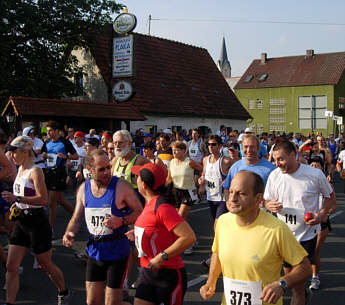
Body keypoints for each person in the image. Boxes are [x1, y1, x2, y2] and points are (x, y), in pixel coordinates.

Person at [200, 171, 312, 305]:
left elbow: (305, 267)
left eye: (241, 194)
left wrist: (282, 283)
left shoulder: (276, 229)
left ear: (258, 199)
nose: (233, 199)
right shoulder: (223, 222)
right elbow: (217, 252)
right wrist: (211, 281)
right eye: (231, 192)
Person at [62, 149, 143, 305]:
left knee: (112, 302)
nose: (107, 172)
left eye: (108, 167)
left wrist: (122, 220)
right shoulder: (84, 190)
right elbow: (77, 217)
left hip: (118, 250)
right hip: (95, 251)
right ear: (90, 170)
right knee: (92, 301)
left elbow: (141, 212)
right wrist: (70, 232)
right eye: (101, 169)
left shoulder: (122, 187)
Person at [2, 136, 73, 305]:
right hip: (22, 220)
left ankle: (63, 292)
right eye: (10, 153)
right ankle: (9, 302)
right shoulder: (19, 169)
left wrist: (17, 198)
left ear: (25, 152)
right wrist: (16, 204)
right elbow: (21, 197)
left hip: (37, 222)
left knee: (45, 264)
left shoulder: (35, 171)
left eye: (14, 153)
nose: (11, 157)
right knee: (11, 266)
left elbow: (43, 200)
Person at [264, 140, 336, 304]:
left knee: (296, 287)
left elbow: (331, 199)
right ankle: (301, 293)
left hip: (305, 237)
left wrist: (320, 214)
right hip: (283, 237)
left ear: (293, 155)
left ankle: (302, 293)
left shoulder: (314, 175)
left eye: (281, 159)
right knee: (291, 280)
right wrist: (269, 205)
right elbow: (265, 201)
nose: (277, 164)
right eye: (275, 160)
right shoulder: (274, 176)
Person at [125, 163, 196, 305]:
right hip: (147, 272)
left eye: (137, 177)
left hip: (168, 275)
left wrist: (162, 256)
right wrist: (139, 234)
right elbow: (156, 228)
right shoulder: (149, 203)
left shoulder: (163, 208)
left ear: (144, 185)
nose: (135, 180)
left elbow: (189, 237)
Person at [41, 121, 78, 231]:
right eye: (47, 131)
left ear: (57, 131)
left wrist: (66, 157)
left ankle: (49, 229)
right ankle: (78, 215)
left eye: (50, 131)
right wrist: (43, 156)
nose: (48, 133)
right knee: (60, 200)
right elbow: (44, 155)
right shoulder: (47, 142)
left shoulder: (64, 142)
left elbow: (75, 156)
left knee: (52, 202)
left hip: (59, 173)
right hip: (48, 172)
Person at [167, 141, 202, 255]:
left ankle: (189, 243)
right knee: (179, 220)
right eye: (173, 150)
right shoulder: (171, 162)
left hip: (188, 192)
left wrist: (200, 181)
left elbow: (201, 169)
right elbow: (169, 178)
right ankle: (193, 238)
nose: (174, 152)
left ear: (183, 151)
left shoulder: (189, 162)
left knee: (180, 218)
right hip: (176, 192)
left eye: (177, 150)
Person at [308, 157, 337, 290]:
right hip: (305, 223)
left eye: (317, 165)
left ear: (322, 168)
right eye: (312, 165)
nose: (314, 167)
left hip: (321, 224)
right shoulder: (304, 183)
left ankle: (315, 277)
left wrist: (323, 214)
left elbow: (333, 205)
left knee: (314, 252)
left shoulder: (327, 184)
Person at [223, 134, 275, 200]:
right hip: (240, 209)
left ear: (258, 148)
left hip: (262, 209)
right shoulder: (235, 167)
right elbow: (227, 188)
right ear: (241, 148)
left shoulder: (270, 169)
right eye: (246, 147)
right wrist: (229, 203)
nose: (249, 150)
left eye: (252, 147)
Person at [111, 130, 149, 206]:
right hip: (118, 202)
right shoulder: (115, 160)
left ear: (129, 143)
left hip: (135, 204)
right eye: (115, 143)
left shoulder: (140, 160)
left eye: (120, 142)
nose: (117, 145)